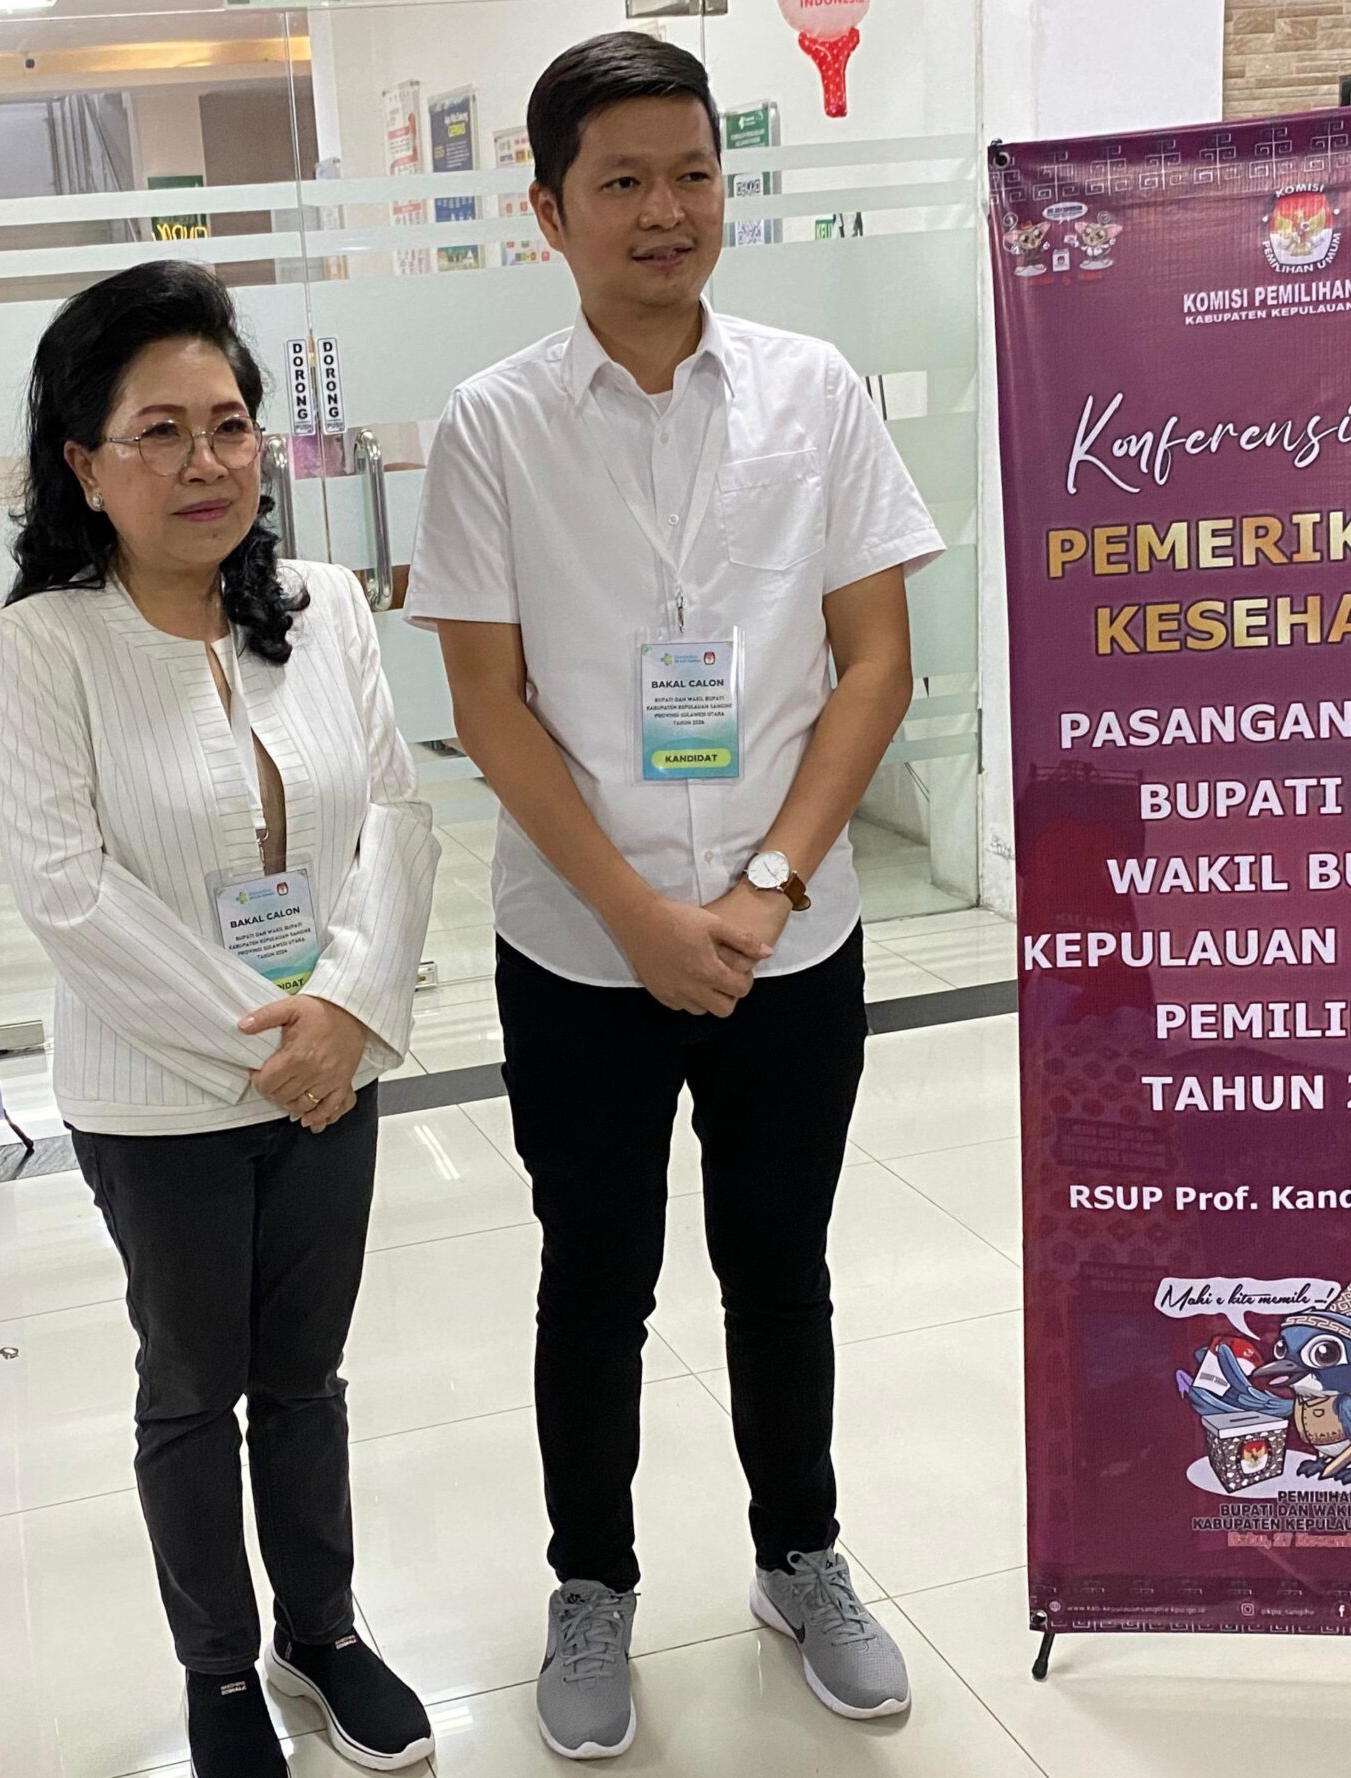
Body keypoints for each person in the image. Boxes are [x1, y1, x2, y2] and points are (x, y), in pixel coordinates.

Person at [404, 32, 944, 1762]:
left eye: (693, 173)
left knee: (780, 1264)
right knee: (596, 1279)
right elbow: (488, 702)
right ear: (548, 210)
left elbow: (875, 661)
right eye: (622, 180)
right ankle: (593, 1586)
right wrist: (640, 919)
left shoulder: (815, 393)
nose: (666, 210)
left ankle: (802, 1556)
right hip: (581, 945)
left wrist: (769, 882)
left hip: (796, 934)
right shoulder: (491, 427)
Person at [0, 260, 441, 1778]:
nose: (206, 463)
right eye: (160, 432)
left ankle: (323, 1632)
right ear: (83, 464)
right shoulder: (47, 644)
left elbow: (393, 817)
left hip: (333, 1070)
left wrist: (349, 1012)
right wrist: (281, 1037)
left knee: (307, 1376)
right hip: (161, 1101)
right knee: (191, 1389)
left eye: (229, 425)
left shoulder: (322, 607)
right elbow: (67, 890)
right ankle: (219, 1670)